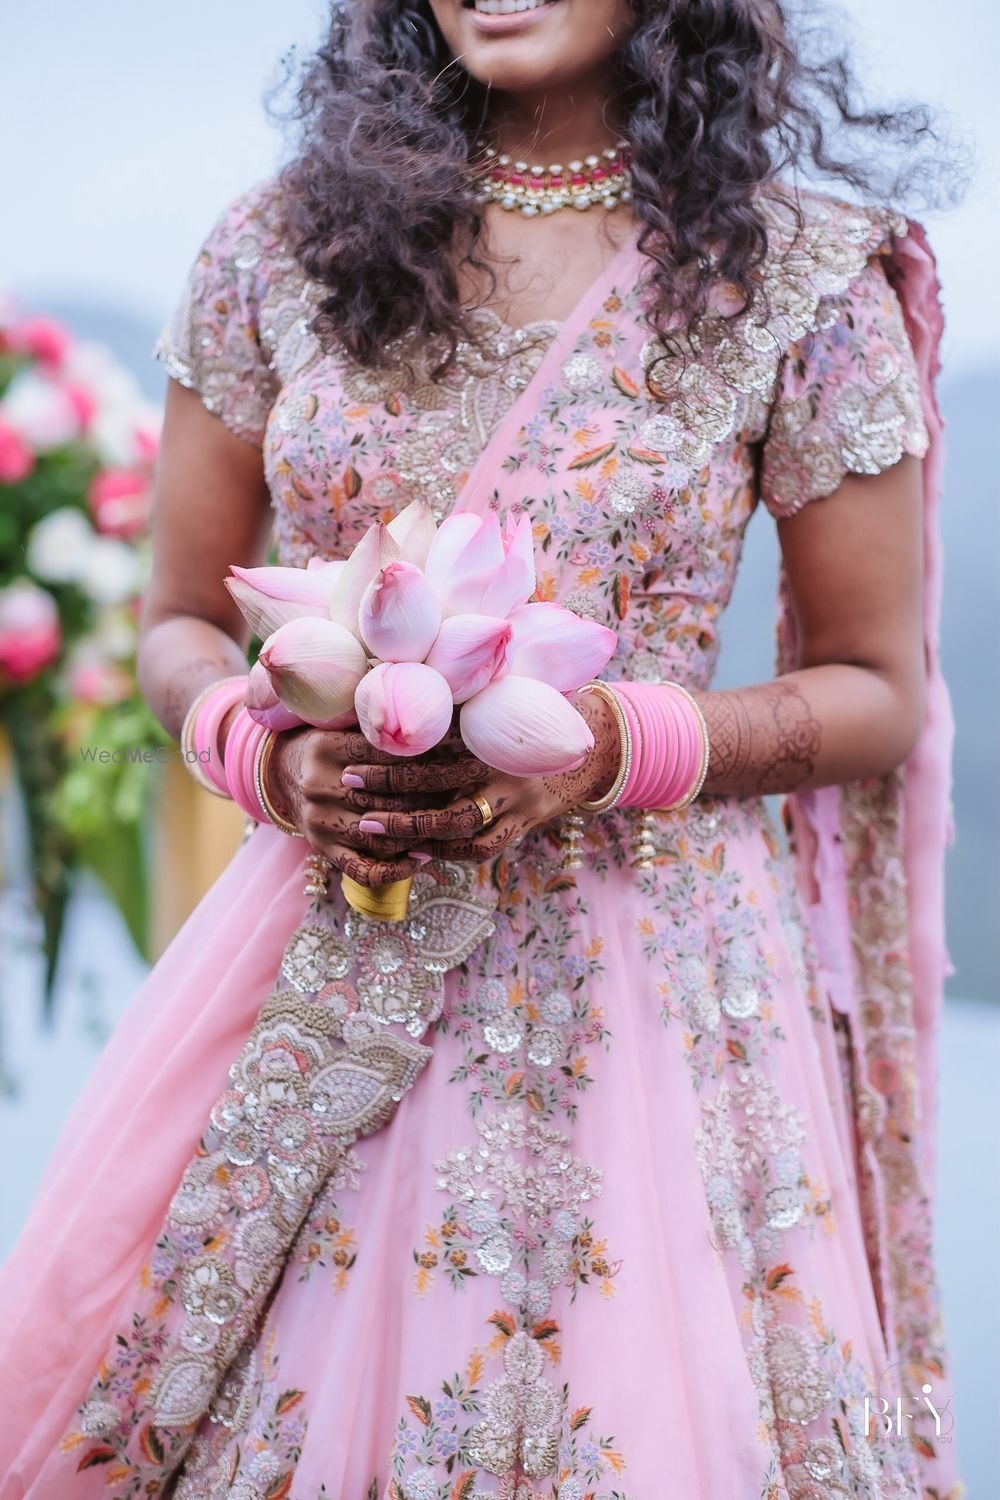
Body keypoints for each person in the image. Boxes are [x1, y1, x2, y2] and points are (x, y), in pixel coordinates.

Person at [0, 0, 963, 1495]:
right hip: (321, 970)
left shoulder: (799, 276)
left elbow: (874, 683)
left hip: (660, 995)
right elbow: (182, 622)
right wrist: (267, 757)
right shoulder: (281, 251)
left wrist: (611, 743)